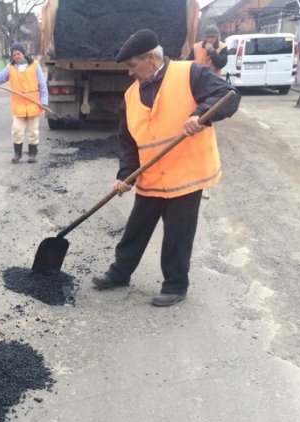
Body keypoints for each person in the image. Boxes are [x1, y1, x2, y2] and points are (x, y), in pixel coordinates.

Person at [92, 28, 241, 307]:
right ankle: (119, 274)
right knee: (135, 228)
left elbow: (228, 96)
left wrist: (200, 115)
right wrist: (125, 175)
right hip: (151, 176)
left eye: (132, 65)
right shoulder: (130, 95)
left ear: (150, 57)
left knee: (177, 235)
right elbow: (127, 142)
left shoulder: (190, 73)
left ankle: (175, 286)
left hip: (186, 175)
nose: (129, 73)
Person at [0, 42, 49, 164]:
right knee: (17, 130)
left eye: (18, 54)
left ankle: (32, 154)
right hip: (19, 106)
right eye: (14, 54)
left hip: (33, 104)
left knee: (33, 131)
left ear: (23, 53)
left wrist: (44, 101)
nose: (16, 56)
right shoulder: (10, 68)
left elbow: (42, 85)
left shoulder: (35, 66)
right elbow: (0, 77)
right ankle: (17, 154)